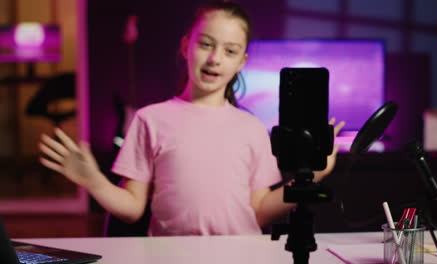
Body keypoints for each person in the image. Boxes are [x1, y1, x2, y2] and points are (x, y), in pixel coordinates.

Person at [38, 0, 345, 236]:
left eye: (229, 51)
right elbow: (133, 208)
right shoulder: (150, 120)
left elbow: (260, 210)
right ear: (186, 46)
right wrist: (93, 181)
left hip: (242, 255)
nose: (215, 58)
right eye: (206, 44)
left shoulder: (251, 128)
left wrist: (316, 173)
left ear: (241, 62)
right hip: (171, 255)